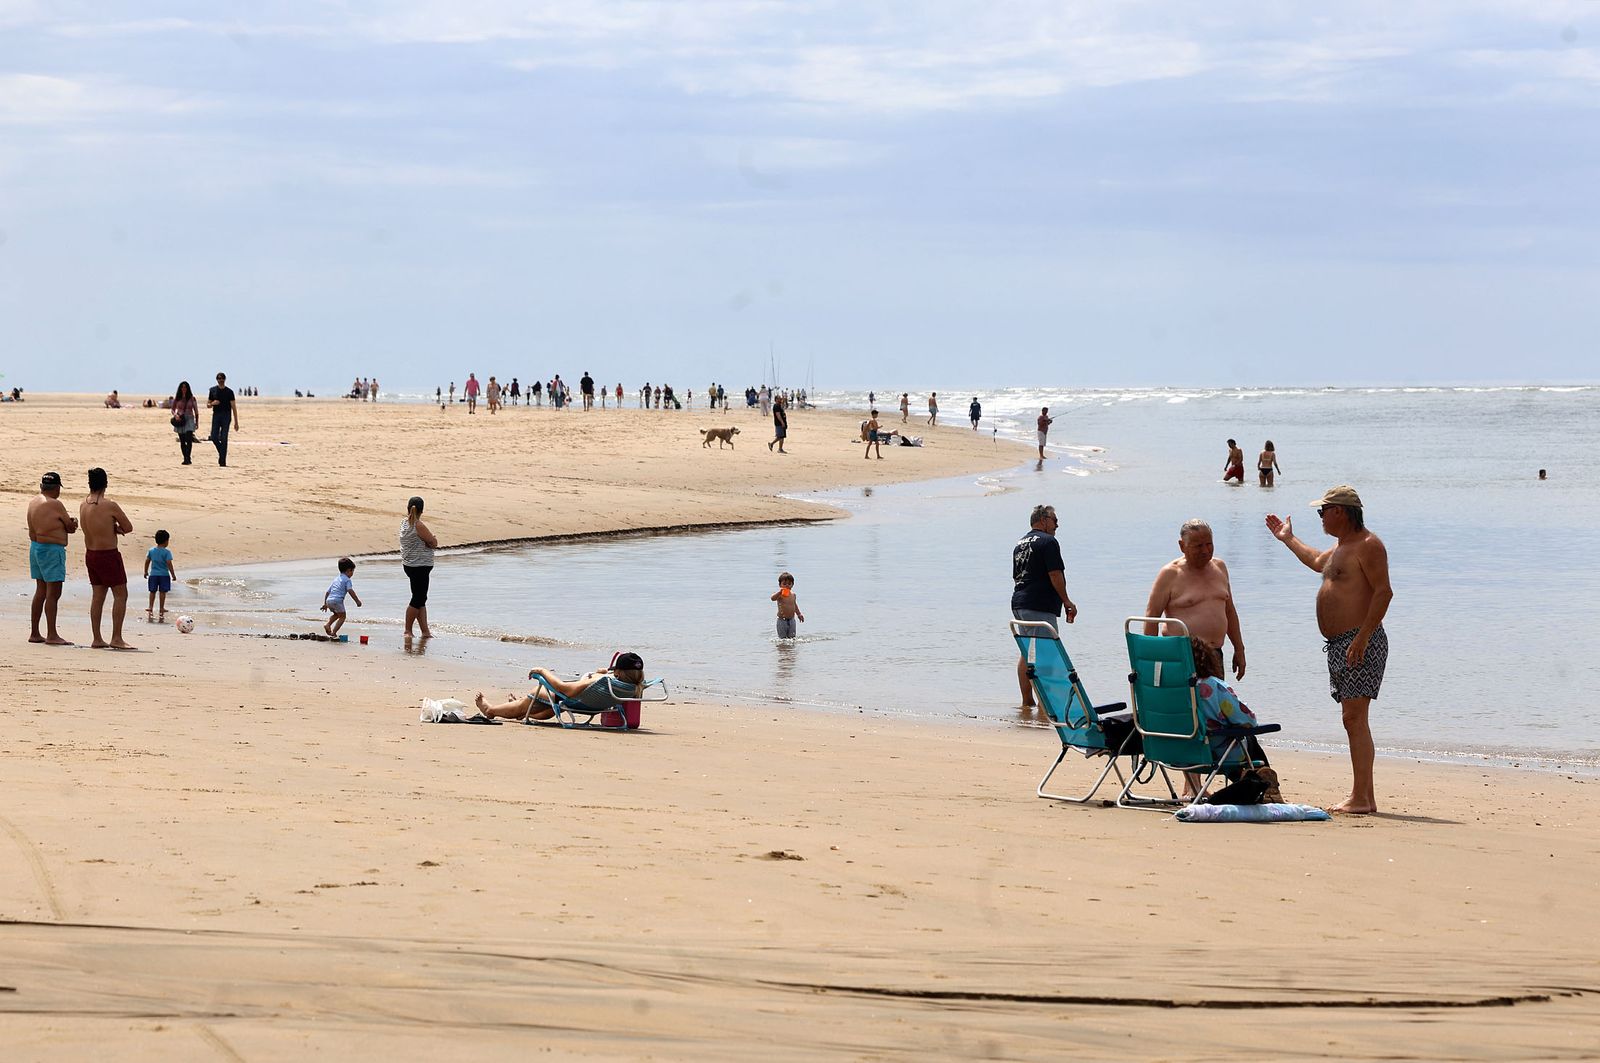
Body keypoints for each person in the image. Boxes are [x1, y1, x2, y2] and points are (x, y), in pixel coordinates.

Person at [1266, 485, 1393, 814]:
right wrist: (1287, 538)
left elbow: (1383, 593)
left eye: (1323, 511)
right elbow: (1314, 560)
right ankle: (1364, 795)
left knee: (1354, 717)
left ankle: (1362, 797)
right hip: (1341, 644)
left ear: (1341, 511)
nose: (1320, 517)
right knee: (1351, 718)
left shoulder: (1369, 545)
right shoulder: (1341, 548)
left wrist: (1362, 637)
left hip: (1359, 641)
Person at [1143, 519, 1245, 680]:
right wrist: (1151, 662)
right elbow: (1151, 617)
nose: (1205, 551)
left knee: (1215, 704)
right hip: (1181, 656)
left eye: (1209, 544)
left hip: (1215, 655)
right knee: (1184, 704)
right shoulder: (1170, 574)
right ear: (1182, 546)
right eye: (1198, 546)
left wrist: (1239, 649)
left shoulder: (1220, 567)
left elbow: (1229, 611)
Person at [1189, 638, 1280, 802]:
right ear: (1209, 660)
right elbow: (1248, 720)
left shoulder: (1164, 689)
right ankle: (1266, 790)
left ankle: (1252, 786)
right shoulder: (1213, 686)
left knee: (1233, 741)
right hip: (1214, 753)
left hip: (1178, 753)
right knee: (1247, 738)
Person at [1011, 504, 1078, 709]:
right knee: (1046, 652)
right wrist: (1066, 600)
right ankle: (1044, 703)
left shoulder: (1020, 543)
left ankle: (1027, 700)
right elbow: (1055, 573)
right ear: (1043, 520)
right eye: (1054, 520)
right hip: (1038, 604)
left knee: (1027, 651)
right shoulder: (1049, 542)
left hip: (1019, 602)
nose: (1057, 524)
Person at [474, 653, 647, 721]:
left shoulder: (603, 681)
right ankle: (518, 711)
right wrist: (599, 674)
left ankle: (492, 711)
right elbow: (601, 688)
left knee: (534, 697)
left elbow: (564, 688)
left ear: (617, 671)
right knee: (546, 709)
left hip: (572, 700)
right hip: (593, 704)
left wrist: (542, 671)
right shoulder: (636, 686)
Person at [79, 467, 135, 649]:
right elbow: (128, 527)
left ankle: (97, 638)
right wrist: (116, 528)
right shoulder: (109, 505)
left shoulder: (83, 504)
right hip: (108, 554)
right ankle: (116, 637)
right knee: (121, 595)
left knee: (98, 596)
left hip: (91, 554)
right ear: (105, 483)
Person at [27, 471, 77, 645]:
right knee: (53, 592)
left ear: (42, 486)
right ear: (56, 488)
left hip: (35, 548)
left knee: (40, 590)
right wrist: (74, 522)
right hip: (51, 550)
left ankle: (34, 632)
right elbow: (70, 527)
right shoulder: (55, 504)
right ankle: (52, 634)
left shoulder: (34, 501)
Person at [400, 495, 438, 639]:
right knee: (418, 598)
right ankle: (407, 630)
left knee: (421, 599)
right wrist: (432, 539)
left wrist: (428, 541)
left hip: (410, 564)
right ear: (422, 510)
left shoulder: (404, 523)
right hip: (420, 565)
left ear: (407, 509)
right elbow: (433, 543)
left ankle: (425, 631)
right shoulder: (418, 525)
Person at [321, 557, 362, 638]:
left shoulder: (336, 579)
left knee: (336, 614)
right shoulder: (347, 580)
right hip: (337, 601)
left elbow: (327, 592)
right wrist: (357, 601)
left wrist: (325, 604)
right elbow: (350, 590)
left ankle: (327, 624)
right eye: (352, 571)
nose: (352, 574)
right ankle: (334, 632)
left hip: (329, 600)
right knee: (343, 616)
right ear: (348, 570)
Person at [206, 372, 239, 467]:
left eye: (222, 379)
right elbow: (208, 404)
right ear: (217, 380)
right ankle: (222, 453)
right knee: (214, 437)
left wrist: (236, 422)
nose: (220, 380)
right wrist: (213, 403)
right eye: (219, 379)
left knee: (224, 438)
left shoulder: (229, 392)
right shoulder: (213, 390)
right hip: (216, 415)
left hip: (226, 416)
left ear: (225, 380)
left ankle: (222, 461)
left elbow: (234, 407)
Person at [144, 529, 176, 623]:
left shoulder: (151, 550)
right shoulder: (167, 552)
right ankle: (161, 608)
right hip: (164, 575)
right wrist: (173, 574)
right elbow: (169, 563)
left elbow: (147, 561)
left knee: (152, 591)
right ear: (166, 541)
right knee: (162, 592)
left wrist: (145, 571)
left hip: (153, 574)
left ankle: (150, 607)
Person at [170, 381, 199, 465]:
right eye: (182, 387)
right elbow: (172, 409)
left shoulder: (192, 398)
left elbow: (196, 411)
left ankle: (188, 457)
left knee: (189, 439)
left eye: (185, 387)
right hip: (180, 419)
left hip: (189, 418)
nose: (184, 389)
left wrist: (197, 422)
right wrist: (175, 415)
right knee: (182, 440)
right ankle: (185, 457)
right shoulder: (177, 398)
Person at [771, 572, 805, 638]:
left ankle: (789, 648)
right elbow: (772, 598)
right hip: (781, 620)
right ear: (780, 585)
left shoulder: (793, 595)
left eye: (789, 584)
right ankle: (783, 647)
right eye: (784, 584)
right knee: (782, 638)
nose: (787, 585)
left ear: (792, 585)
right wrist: (779, 592)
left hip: (792, 620)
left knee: (792, 638)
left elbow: (794, 605)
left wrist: (799, 614)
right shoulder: (779, 595)